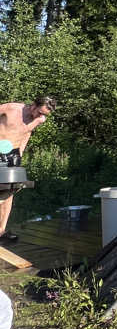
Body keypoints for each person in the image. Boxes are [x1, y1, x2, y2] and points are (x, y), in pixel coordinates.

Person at [0, 97, 57, 243]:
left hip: (13, 155)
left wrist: (20, 157)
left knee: (8, 193)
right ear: (34, 105)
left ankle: (1, 231)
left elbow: (25, 134)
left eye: (44, 115)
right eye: (39, 112)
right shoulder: (11, 109)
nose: (40, 116)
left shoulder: (38, 119)